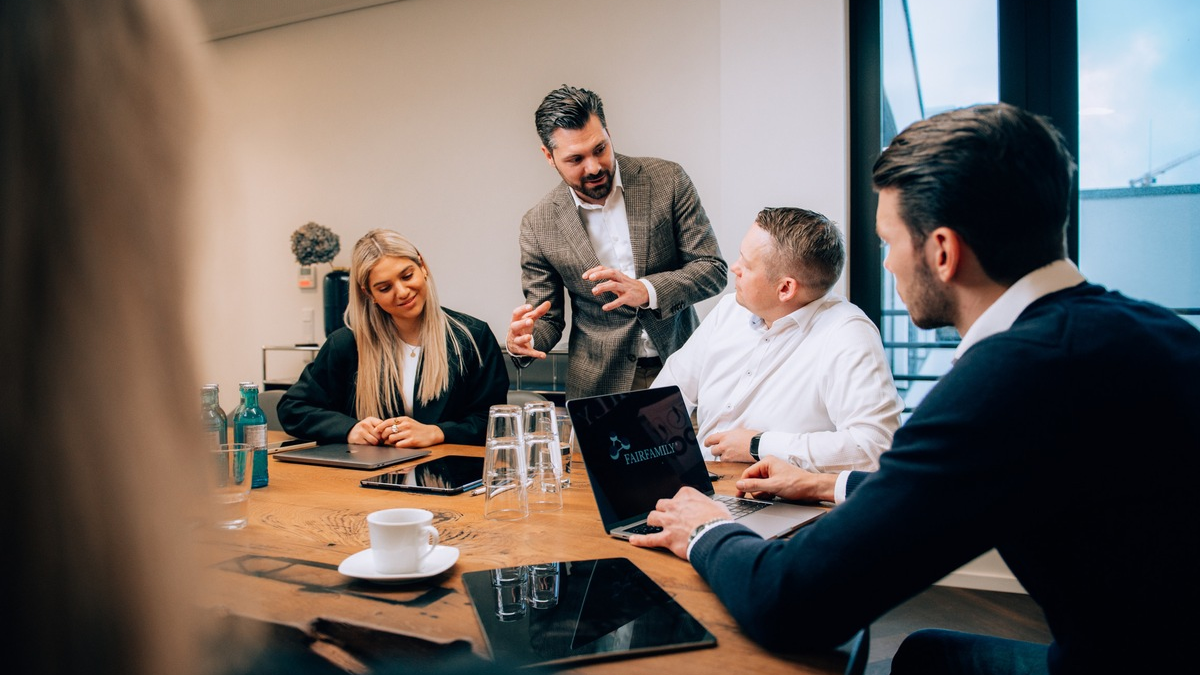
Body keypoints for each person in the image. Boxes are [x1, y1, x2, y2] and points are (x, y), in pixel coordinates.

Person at [630, 103, 1200, 674]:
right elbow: (951, 484)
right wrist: (832, 486)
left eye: (888, 240)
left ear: (943, 253)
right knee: (929, 657)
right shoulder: (1152, 332)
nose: (885, 263)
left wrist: (706, 530)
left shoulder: (1008, 381)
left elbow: (794, 603)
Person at [505, 84, 728, 398]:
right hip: (600, 390)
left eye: (600, 148)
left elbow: (712, 270)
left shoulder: (668, 180)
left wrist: (647, 291)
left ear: (608, 133)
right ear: (549, 156)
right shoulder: (538, 224)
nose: (594, 167)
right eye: (576, 159)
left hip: (683, 371)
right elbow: (548, 318)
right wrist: (525, 342)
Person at [652, 207, 903, 470]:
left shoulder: (847, 334)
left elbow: (876, 446)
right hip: (700, 480)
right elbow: (665, 395)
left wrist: (760, 445)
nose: (734, 268)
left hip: (784, 499)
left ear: (785, 288)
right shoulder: (730, 310)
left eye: (746, 265)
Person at [279, 229, 508, 447]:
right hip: (366, 478)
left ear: (423, 266)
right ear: (369, 294)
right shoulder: (347, 344)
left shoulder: (473, 337)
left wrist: (438, 432)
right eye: (385, 288)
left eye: (407, 276)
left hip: (449, 474)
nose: (402, 292)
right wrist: (349, 429)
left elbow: (494, 421)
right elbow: (293, 408)